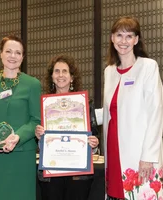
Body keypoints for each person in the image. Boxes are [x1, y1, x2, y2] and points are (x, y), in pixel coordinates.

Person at [103, 16, 163, 200]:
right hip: (113, 149)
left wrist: (148, 155)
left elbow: (156, 113)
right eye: (119, 35)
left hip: (140, 153)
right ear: (112, 38)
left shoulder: (148, 67)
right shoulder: (109, 71)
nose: (124, 41)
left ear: (136, 40)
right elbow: (111, 111)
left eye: (129, 36)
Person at [0, 34, 41, 200]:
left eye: (18, 52)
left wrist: (18, 136)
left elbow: (36, 119)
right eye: (8, 51)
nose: (12, 56)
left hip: (21, 154)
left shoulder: (32, 84)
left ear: (23, 57)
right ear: (0, 54)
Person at [35, 54, 100, 200]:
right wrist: (38, 136)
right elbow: (38, 144)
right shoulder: (43, 106)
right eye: (56, 71)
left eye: (65, 71)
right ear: (51, 77)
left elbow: (95, 136)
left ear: (72, 77)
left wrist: (94, 144)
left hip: (78, 172)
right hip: (51, 172)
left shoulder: (85, 104)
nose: (60, 75)